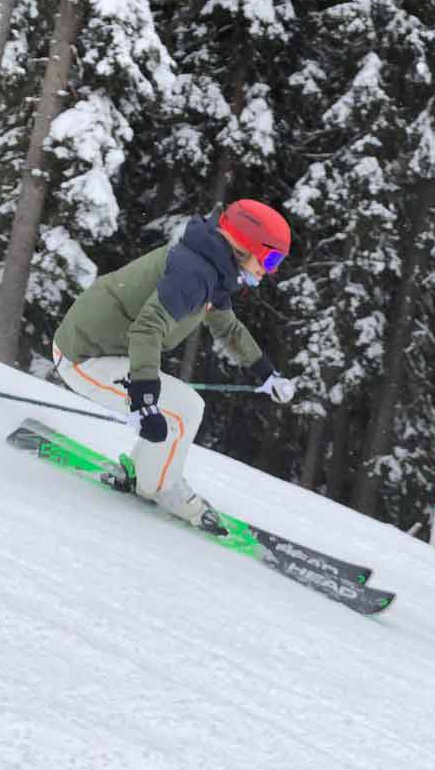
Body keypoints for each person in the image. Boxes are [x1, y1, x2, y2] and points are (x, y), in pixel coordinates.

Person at [50, 199, 298, 536]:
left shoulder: (213, 269)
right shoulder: (195, 273)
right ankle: (162, 487)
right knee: (182, 409)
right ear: (245, 245)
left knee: (183, 407)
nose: (270, 270)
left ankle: (144, 475)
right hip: (84, 356)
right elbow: (147, 329)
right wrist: (144, 399)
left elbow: (227, 327)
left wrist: (265, 373)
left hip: (107, 350)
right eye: (271, 258)